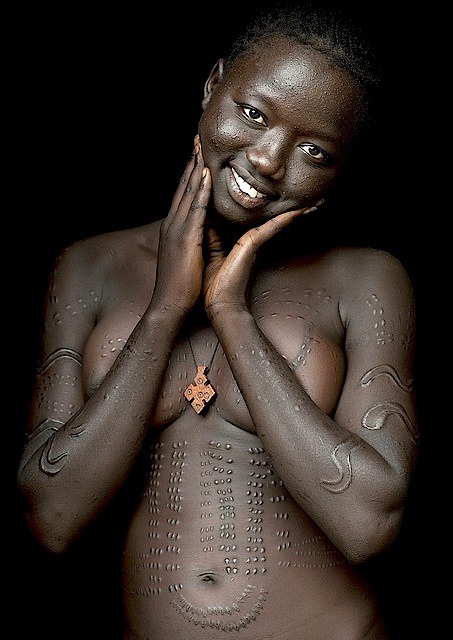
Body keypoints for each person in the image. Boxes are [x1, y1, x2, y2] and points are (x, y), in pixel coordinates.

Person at [17, 1, 419, 638]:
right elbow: (52, 518)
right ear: (213, 86)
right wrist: (165, 310)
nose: (267, 159)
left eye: (315, 150)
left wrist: (231, 314)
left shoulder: (363, 279)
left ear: (339, 173)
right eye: (255, 114)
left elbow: (369, 523)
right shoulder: (89, 266)